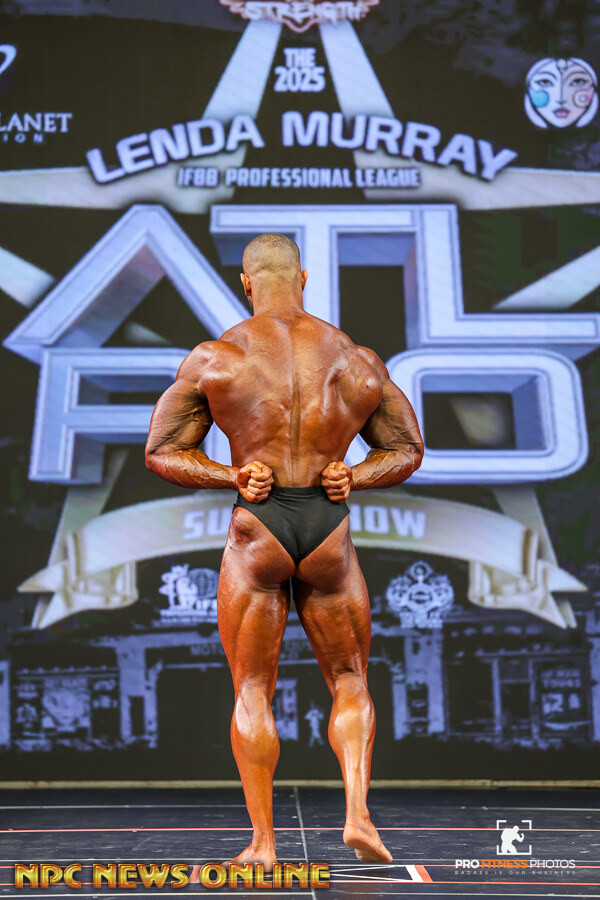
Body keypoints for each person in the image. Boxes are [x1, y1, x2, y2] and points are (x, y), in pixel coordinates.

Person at [145, 233, 424, 869]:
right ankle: (358, 816)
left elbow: (162, 451)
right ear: (303, 278)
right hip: (328, 529)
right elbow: (407, 449)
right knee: (350, 679)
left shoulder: (218, 357)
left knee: (252, 689)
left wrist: (232, 475)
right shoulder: (355, 359)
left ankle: (263, 845)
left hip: (259, 529)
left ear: (246, 283)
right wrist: (355, 475)